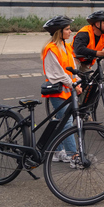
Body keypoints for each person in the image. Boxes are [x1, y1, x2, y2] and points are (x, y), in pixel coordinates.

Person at [41, 15, 82, 165]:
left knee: (60, 121)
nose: (70, 31)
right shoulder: (50, 49)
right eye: (67, 29)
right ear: (59, 32)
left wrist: (77, 82)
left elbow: (72, 69)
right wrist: (73, 84)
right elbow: (58, 74)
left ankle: (57, 152)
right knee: (67, 121)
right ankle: (73, 155)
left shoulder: (65, 46)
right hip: (58, 92)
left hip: (68, 90)